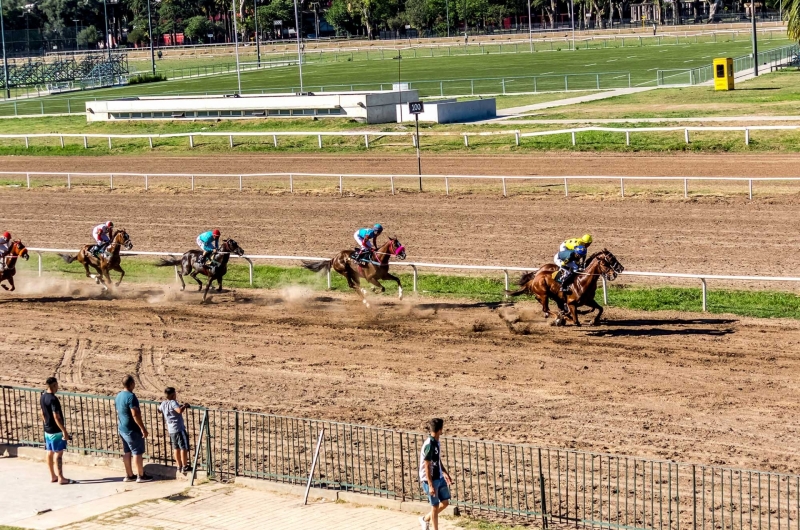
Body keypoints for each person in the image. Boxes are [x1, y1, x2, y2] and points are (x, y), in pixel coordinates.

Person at [115, 375, 153, 483]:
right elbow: (135, 414)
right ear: (131, 384)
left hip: (122, 428)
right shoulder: (131, 397)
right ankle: (140, 476)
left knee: (127, 452)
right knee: (137, 452)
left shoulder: (118, 396)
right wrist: (143, 429)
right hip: (132, 429)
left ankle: (129, 475)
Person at [40, 377, 76, 485]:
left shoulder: (42, 397)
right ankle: (61, 478)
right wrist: (64, 431)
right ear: (54, 385)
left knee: (49, 452)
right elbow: (57, 417)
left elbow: (42, 413)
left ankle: (53, 476)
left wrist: (47, 423)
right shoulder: (53, 399)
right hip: (56, 431)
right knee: (59, 453)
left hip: (47, 430)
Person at [418, 418, 452, 530]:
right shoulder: (429, 445)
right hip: (431, 479)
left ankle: (425, 519)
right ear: (440, 430)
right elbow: (426, 465)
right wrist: (430, 484)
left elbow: (436, 459)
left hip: (439, 477)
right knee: (435, 506)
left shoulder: (436, 442)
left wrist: (445, 472)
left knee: (445, 502)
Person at [158, 387, 191, 474]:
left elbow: (159, 410)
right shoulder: (173, 402)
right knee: (183, 447)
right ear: (173, 395)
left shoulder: (164, 403)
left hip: (171, 429)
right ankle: (185, 465)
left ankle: (178, 466)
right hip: (179, 428)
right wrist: (184, 406)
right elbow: (179, 411)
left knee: (176, 448)